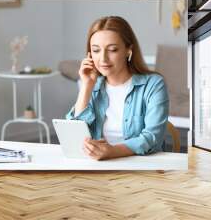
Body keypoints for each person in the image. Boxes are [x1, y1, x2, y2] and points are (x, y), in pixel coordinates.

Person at [66, 16, 169, 160]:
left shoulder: (153, 84)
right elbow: (73, 138)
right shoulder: (93, 86)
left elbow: (152, 137)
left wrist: (112, 152)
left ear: (128, 50)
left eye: (112, 50)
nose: (103, 59)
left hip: (141, 166)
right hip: (98, 166)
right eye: (96, 50)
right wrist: (86, 86)